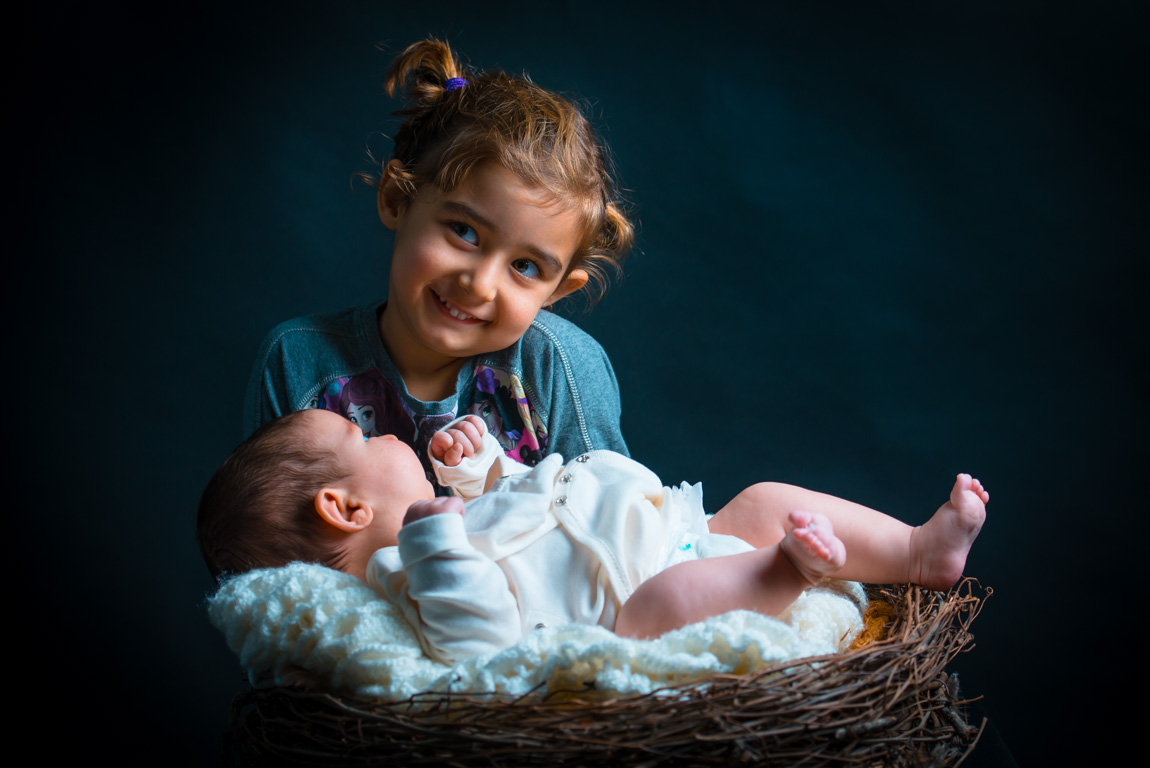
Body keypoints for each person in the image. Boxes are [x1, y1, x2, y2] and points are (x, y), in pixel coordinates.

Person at [198, 409, 988, 665]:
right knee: (667, 599)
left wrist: (484, 471)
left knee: (762, 499)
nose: (383, 433)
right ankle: (785, 574)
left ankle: (919, 551)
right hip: (631, 603)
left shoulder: (441, 524)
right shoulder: (408, 578)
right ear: (345, 510)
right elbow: (480, 639)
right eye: (363, 436)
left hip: (670, 530)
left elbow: (517, 519)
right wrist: (436, 541)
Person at [243, 39, 634, 492]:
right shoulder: (299, 363)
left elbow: (612, 529)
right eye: (463, 231)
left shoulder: (560, 364)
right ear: (396, 200)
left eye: (525, 266)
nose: (480, 285)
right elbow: (270, 547)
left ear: (557, 292)